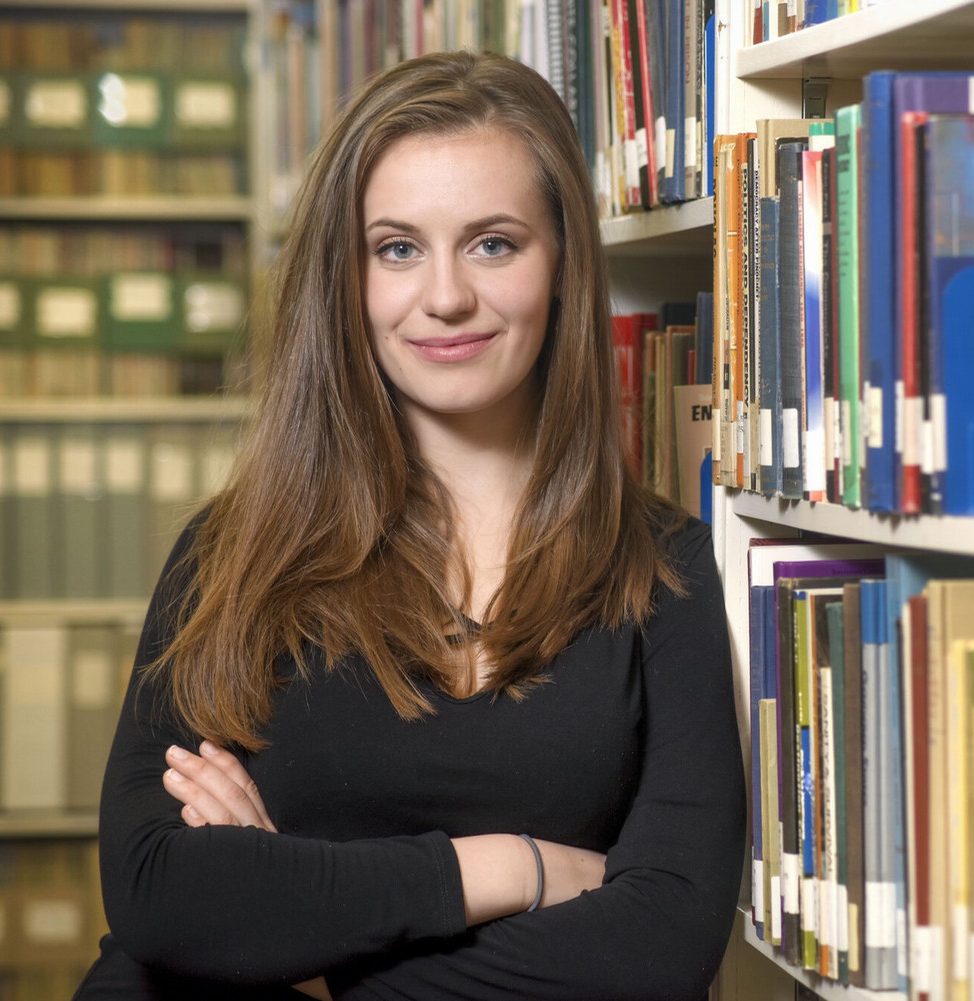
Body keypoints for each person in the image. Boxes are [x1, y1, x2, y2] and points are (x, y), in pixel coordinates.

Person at [73, 48, 745, 1001]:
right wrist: (513, 870)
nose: (444, 297)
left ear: (561, 263)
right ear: (345, 281)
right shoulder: (233, 557)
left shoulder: (660, 568)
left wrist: (298, 933)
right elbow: (156, 899)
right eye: (397, 248)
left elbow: (662, 944)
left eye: (493, 243)